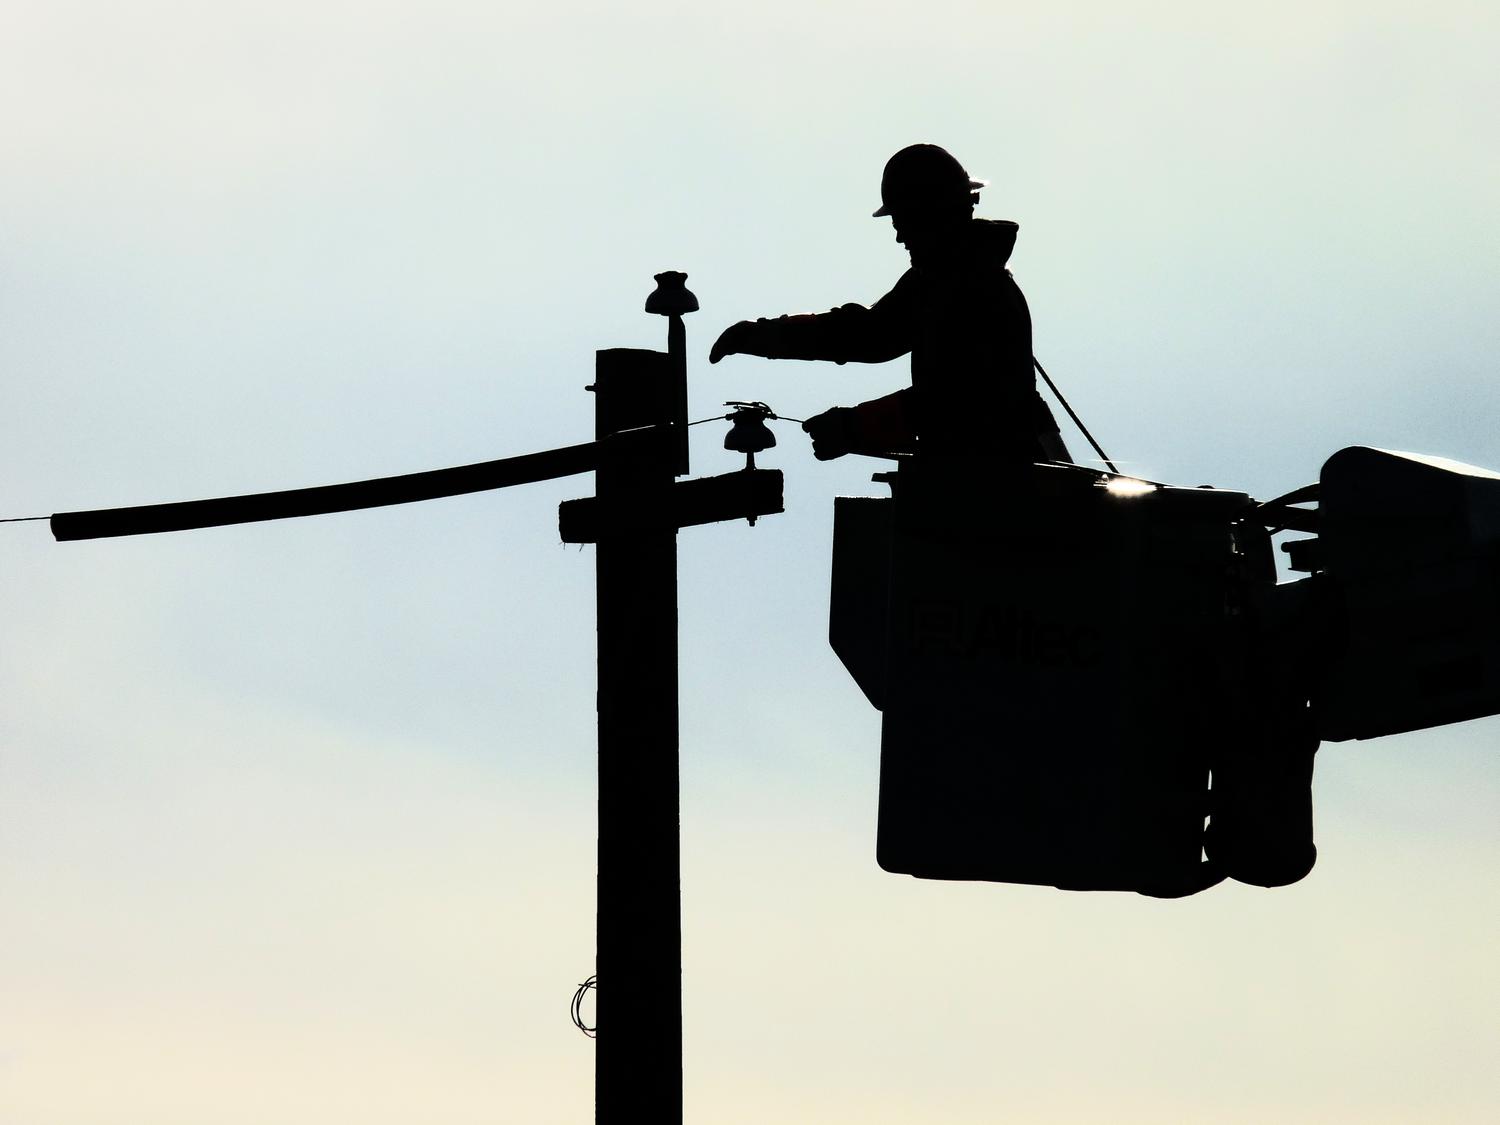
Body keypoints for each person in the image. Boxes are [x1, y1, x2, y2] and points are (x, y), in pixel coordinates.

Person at [710, 144, 1070, 467]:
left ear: (930, 216)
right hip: (1000, 480)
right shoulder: (945, 281)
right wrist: (763, 337)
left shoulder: (970, 289)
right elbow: (868, 334)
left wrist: (853, 427)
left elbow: (956, 402)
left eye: (903, 223)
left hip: (1005, 493)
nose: (899, 237)